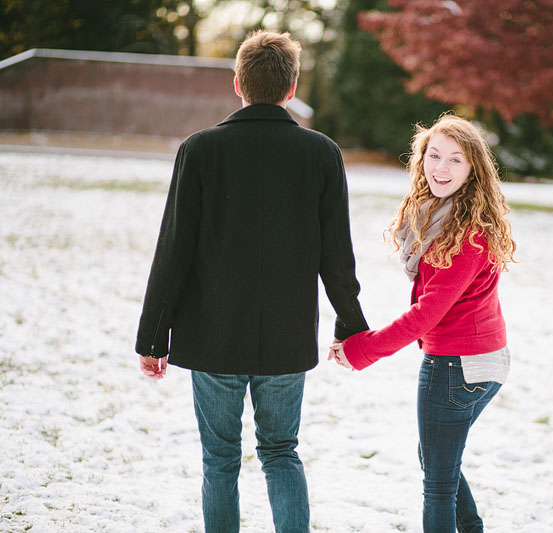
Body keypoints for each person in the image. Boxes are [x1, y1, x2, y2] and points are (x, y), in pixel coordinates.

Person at [136, 30, 368, 533]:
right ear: (292, 88)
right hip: (285, 339)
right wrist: (350, 324)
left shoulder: (199, 150)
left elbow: (172, 252)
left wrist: (153, 337)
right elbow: (338, 256)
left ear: (237, 84)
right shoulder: (321, 153)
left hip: (212, 335)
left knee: (219, 461)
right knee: (282, 453)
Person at [329, 114, 516, 532]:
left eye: (455, 160)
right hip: (484, 359)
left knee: (438, 483)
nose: (441, 168)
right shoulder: (447, 218)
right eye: (434, 156)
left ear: (473, 170)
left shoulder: (466, 233)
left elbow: (426, 314)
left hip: (456, 366)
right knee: (436, 461)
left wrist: (361, 349)